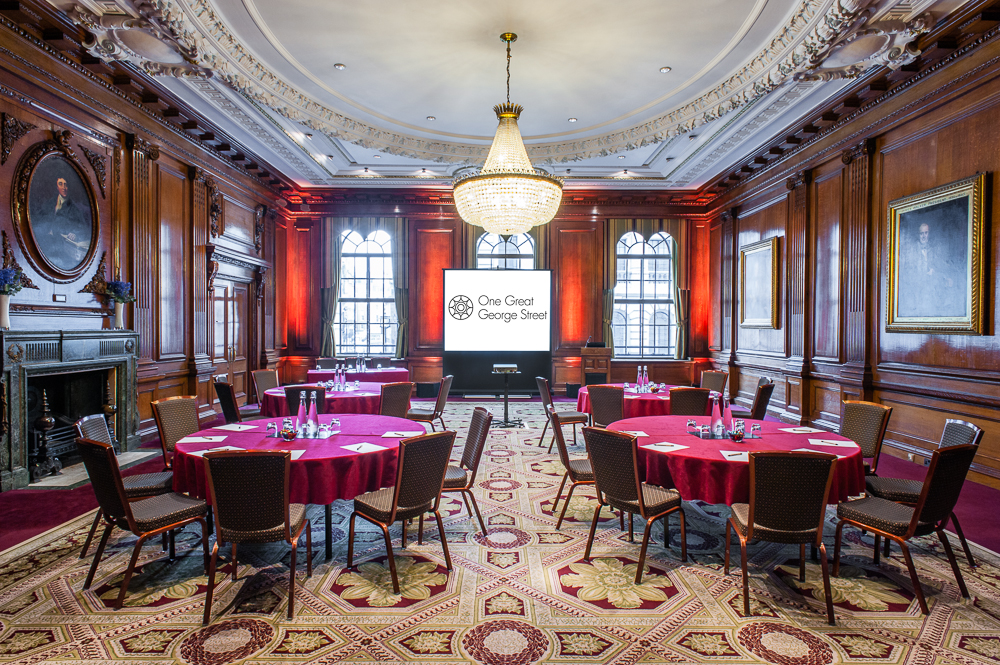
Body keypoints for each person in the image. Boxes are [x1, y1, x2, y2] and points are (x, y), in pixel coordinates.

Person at [899, 221, 965, 318]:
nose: (924, 236)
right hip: (917, 287)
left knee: (950, 290)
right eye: (921, 233)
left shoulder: (932, 250)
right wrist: (926, 274)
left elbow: (939, 266)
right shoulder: (912, 250)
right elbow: (909, 273)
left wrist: (945, 277)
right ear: (918, 235)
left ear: (929, 234)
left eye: (926, 233)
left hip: (930, 285)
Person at [31, 176, 90, 270]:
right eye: (60, 184)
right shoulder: (50, 203)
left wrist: (75, 234)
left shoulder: (74, 208)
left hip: (60, 246)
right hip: (44, 241)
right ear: (57, 187)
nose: (63, 188)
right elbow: (38, 219)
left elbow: (83, 229)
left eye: (66, 185)